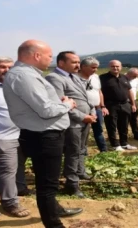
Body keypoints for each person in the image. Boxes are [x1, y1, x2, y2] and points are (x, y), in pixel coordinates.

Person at [3, 39, 82, 228]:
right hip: (44, 136)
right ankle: (54, 225)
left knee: (47, 181)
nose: (50, 59)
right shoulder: (25, 76)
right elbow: (45, 110)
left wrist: (59, 102)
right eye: (49, 56)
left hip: (42, 134)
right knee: (47, 186)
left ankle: (56, 210)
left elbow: (42, 104)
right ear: (36, 55)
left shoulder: (27, 74)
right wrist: (67, 104)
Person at [46, 51, 95, 198]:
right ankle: (71, 184)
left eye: (78, 62)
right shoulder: (54, 78)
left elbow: (84, 98)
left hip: (85, 120)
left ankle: (80, 172)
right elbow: (60, 104)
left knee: (81, 149)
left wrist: (91, 112)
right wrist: (82, 116)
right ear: (61, 63)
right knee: (72, 152)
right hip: (72, 123)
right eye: (74, 62)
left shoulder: (74, 77)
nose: (78, 65)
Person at [0, 56, 30, 217]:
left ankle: (9, 202)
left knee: (8, 170)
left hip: (11, 137)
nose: (7, 70)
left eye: (10, 67)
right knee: (7, 171)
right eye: (2, 67)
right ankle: (9, 202)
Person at [100, 60, 137, 151]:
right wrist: (102, 106)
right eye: (113, 66)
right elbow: (99, 92)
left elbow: (129, 91)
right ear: (109, 67)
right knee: (111, 125)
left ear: (121, 67)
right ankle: (115, 145)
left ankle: (124, 143)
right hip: (110, 105)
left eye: (117, 66)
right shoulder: (102, 78)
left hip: (125, 104)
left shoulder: (124, 77)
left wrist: (133, 104)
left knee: (124, 125)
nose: (115, 68)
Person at [79, 57, 108, 153]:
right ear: (83, 66)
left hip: (97, 108)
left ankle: (103, 150)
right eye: (92, 67)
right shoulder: (75, 78)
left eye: (96, 68)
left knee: (99, 130)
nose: (95, 70)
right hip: (82, 110)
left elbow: (99, 92)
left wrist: (102, 106)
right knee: (83, 132)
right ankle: (83, 152)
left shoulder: (95, 77)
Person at [125, 68, 138, 141]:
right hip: (124, 102)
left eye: (137, 76)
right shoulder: (121, 78)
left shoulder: (136, 80)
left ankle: (137, 135)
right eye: (134, 76)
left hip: (133, 101)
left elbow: (136, 89)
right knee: (124, 120)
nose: (135, 77)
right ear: (128, 74)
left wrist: (133, 101)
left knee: (134, 119)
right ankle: (124, 136)